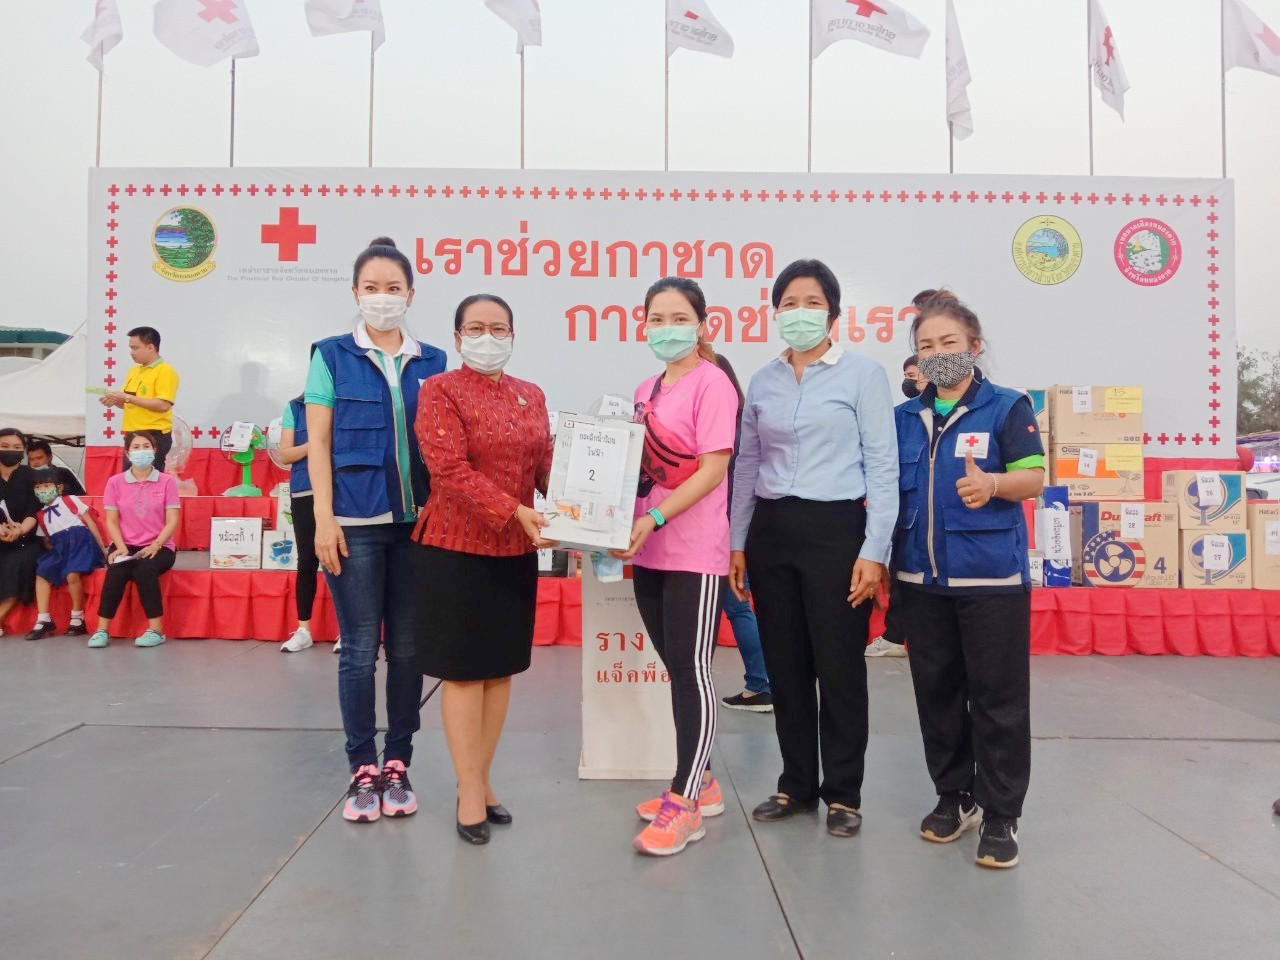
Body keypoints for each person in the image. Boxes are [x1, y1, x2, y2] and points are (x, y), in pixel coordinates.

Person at [729, 259, 898, 839]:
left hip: (837, 532)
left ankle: (844, 793)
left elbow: (882, 465)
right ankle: (796, 784)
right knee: (786, 664)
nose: (799, 313)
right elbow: (748, 464)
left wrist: (875, 550)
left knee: (839, 665)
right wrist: (737, 541)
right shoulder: (763, 381)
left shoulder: (863, 375)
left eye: (812, 302)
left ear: (833, 313)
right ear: (775, 312)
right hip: (772, 530)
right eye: (789, 303)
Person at [893, 291, 1045, 870]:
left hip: (991, 580)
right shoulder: (904, 418)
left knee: (998, 701)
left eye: (949, 342)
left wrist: (993, 485)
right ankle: (954, 796)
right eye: (926, 346)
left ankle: (1002, 814)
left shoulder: (1006, 407)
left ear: (974, 346)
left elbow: (1033, 477)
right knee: (937, 696)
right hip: (922, 579)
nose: (938, 354)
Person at [307, 237, 447, 824]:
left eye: (393, 288)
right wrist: (324, 518)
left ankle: (398, 762)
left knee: (410, 649)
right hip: (355, 525)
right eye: (372, 288)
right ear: (355, 292)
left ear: (410, 294)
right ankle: (362, 767)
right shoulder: (330, 355)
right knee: (360, 649)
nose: (382, 298)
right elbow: (317, 442)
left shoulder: (434, 360)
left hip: (419, 526)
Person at [413, 294, 554, 846]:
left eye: (499, 328)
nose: (488, 337)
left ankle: (482, 778)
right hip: (456, 547)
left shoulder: (531, 394)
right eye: (475, 328)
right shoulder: (439, 390)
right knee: (465, 673)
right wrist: (514, 510)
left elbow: (545, 465)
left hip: (515, 551)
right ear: (457, 337)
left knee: (500, 670)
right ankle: (469, 790)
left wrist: (585, 501)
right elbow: (448, 470)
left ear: (513, 336)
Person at [612, 277, 737, 857]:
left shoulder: (713, 384)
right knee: (676, 666)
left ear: (702, 325)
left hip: (693, 551)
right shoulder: (645, 389)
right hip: (649, 549)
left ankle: (686, 803)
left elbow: (713, 469)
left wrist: (657, 517)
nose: (667, 328)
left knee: (692, 671)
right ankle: (701, 780)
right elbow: (634, 468)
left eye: (679, 318)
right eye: (656, 318)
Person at [713, 352, 771, 713]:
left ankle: (762, 683)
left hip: (723, 529)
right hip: (741, 527)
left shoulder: (726, 429)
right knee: (740, 606)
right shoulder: (744, 424)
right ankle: (762, 683)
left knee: (737, 607)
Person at [865, 350, 931, 661]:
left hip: (940, 518)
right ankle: (894, 636)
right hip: (904, 514)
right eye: (906, 376)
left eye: (914, 375)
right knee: (902, 576)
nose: (910, 382)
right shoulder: (899, 417)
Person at [88, 431, 181, 648]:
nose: (142, 451)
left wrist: (156, 544)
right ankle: (102, 630)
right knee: (116, 571)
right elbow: (111, 521)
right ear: (128, 453)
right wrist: (120, 547)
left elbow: (172, 520)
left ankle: (156, 630)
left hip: (160, 546)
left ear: (154, 451)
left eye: (146, 446)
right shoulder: (115, 482)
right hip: (125, 545)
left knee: (144, 569)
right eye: (136, 447)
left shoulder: (167, 482)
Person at [24, 468, 106, 640]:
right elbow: (47, 540)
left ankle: (77, 616)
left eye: (47, 486)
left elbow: (90, 522)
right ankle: (43, 619)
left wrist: (102, 548)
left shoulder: (70, 500)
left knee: (72, 573)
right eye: (38, 487)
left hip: (81, 543)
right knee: (42, 571)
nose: (42, 490)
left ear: (59, 488)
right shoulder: (41, 515)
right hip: (60, 548)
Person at [277, 391, 325, 653]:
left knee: (344, 561)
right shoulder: (295, 407)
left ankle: (347, 632)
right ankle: (303, 630)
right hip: (304, 491)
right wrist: (317, 443)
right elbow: (285, 455)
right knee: (307, 561)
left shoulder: (344, 401)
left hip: (341, 491)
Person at [99, 327, 179, 474]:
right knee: (129, 478)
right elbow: (128, 402)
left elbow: (163, 405)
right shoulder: (134, 371)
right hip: (132, 434)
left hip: (154, 434)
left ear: (151, 347)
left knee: (150, 478)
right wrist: (115, 399)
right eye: (130, 348)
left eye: (135, 348)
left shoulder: (165, 371)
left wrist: (126, 398)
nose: (131, 352)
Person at [0, 428, 40, 635]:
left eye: (16, 447)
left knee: (19, 563)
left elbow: (34, 511)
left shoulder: (32, 476)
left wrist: (21, 529)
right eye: (4, 446)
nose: (10, 450)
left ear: (23, 450)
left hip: (27, 538)